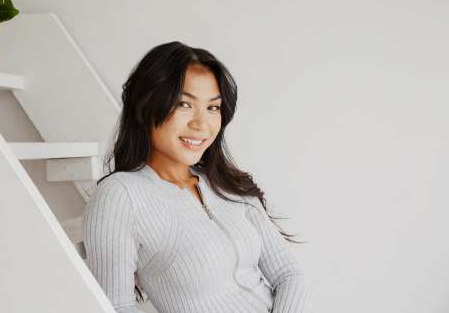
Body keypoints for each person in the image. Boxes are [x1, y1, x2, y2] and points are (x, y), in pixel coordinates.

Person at [82, 41, 313, 313]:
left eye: (213, 107)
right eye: (184, 104)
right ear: (146, 106)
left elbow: (289, 274)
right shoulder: (121, 195)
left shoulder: (224, 182)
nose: (201, 124)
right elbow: (117, 306)